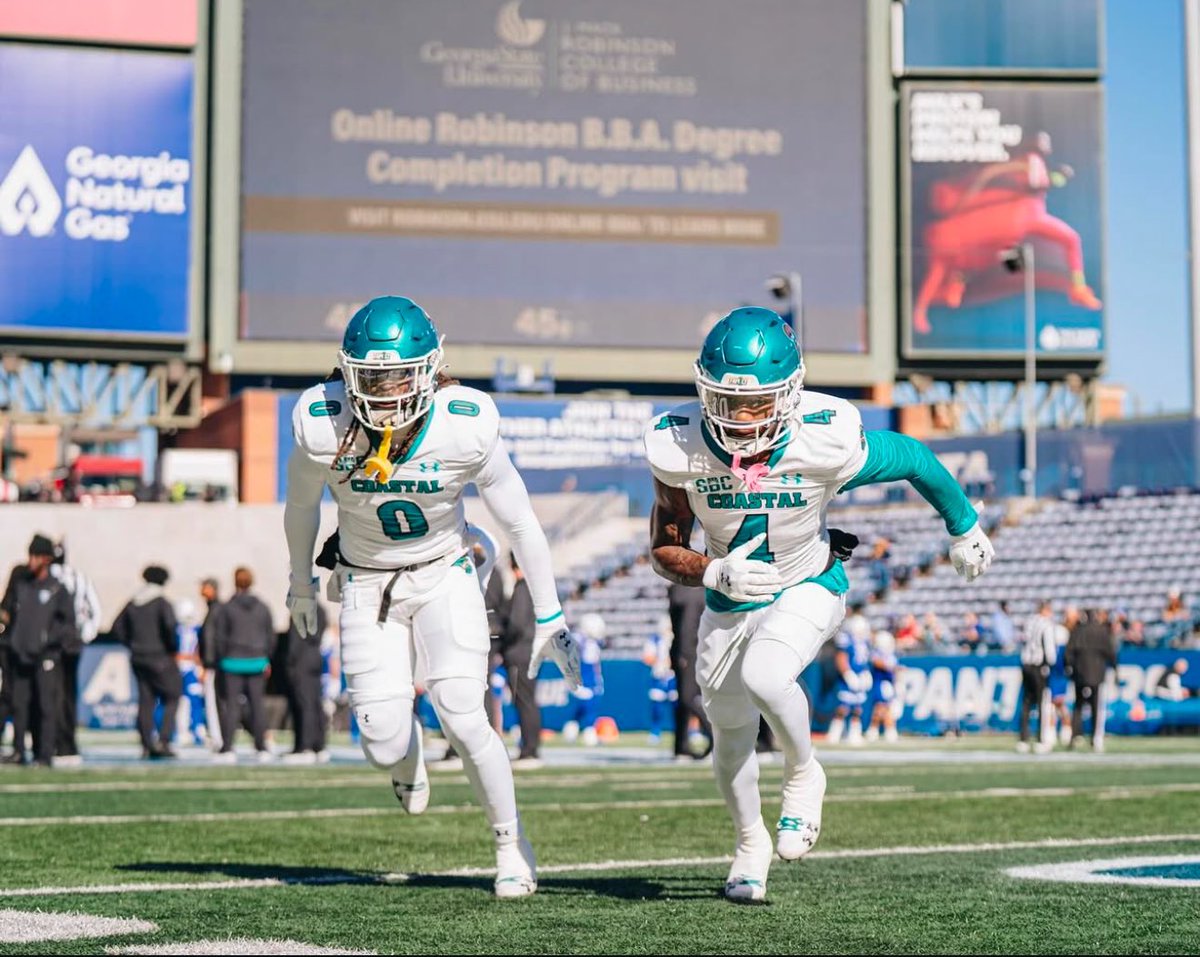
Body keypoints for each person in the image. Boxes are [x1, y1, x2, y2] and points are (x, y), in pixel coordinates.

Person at [644, 306, 994, 901]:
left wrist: (964, 525)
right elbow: (663, 548)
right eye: (726, 403)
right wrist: (715, 570)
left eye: (755, 403)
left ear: (791, 393)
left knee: (767, 672)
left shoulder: (822, 435)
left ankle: (805, 771)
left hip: (809, 581)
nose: (741, 419)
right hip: (731, 600)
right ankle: (749, 844)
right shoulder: (677, 448)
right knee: (728, 741)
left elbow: (912, 457)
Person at [283, 295, 580, 899]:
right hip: (366, 581)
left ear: (430, 371)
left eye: (399, 375)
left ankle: (511, 845)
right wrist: (300, 583)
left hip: (445, 570)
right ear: (347, 374)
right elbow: (299, 508)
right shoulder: (322, 423)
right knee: (381, 740)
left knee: (464, 714)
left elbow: (520, 521)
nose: (387, 391)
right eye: (372, 377)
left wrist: (548, 613)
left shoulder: (463, 423)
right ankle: (407, 754)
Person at [0, 534, 75, 766]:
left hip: (46, 657)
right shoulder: (23, 585)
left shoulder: (56, 589)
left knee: (45, 706)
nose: (30, 561)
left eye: (35, 556)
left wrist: (48, 641)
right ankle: (19, 751)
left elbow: (67, 624)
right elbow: (10, 614)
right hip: (20, 656)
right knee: (19, 705)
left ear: (46, 559)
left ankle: (44, 754)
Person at [111, 565, 181, 760]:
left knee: (146, 699)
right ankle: (164, 741)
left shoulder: (134, 602)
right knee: (173, 695)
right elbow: (170, 628)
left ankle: (146, 743)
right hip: (159, 656)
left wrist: (132, 644)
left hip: (138, 657)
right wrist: (171, 648)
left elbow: (117, 627)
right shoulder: (161, 602)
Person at [212, 567, 276, 763]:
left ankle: (228, 747)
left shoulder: (227, 608)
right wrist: (266, 658)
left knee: (231, 706)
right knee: (257, 706)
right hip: (257, 662)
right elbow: (270, 636)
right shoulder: (262, 607)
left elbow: (220, 636)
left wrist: (222, 657)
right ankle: (261, 746)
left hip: (232, 662)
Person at [49, 541, 101, 765]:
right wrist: (83, 636)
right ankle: (66, 743)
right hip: (71, 644)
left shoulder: (47, 579)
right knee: (67, 694)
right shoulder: (79, 577)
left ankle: (55, 743)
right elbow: (95, 612)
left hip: (52, 646)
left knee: (51, 696)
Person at [1067, 606, 1118, 752]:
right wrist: (1115, 668)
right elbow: (1111, 653)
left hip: (1079, 674)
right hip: (1097, 674)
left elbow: (1068, 653)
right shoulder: (1101, 631)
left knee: (1078, 706)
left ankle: (1075, 736)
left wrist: (1070, 668)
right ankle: (1096, 738)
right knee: (1096, 707)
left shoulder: (1077, 631)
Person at [1017, 600, 1057, 754]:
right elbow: (1049, 649)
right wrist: (1050, 664)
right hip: (1039, 665)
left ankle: (1023, 739)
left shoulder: (1030, 621)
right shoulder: (1046, 624)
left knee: (1026, 702)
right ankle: (1041, 739)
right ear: (1045, 610)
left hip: (1026, 664)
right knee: (1042, 703)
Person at [562, 613, 606, 746]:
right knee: (589, 705)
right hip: (583, 678)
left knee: (588, 705)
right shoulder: (578, 639)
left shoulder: (593, 642)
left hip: (592, 677)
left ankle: (572, 729)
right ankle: (588, 732)